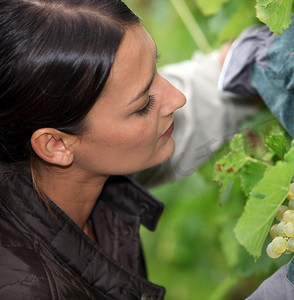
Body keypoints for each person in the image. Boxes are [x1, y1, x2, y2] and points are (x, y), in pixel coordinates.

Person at [0, 0, 258, 299]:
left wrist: (237, 69)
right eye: (143, 105)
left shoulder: (57, 168)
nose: (177, 99)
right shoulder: (27, 291)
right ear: (56, 145)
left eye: (157, 70)